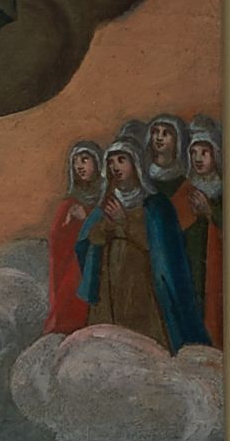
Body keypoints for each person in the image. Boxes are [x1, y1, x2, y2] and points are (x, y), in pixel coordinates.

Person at [75, 129, 208, 354]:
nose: (115, 167)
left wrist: (124, 223)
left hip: (144, 291)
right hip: (109, 290)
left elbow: (160, 249)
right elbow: (87, 242)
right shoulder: (107, 203)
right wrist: (106, 227)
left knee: (143, 350)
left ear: (136, 164)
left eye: (121, 160)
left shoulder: (156, 205)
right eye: (111, 162)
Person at [45, 140, 108, 337]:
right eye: (75, 161)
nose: (79, 166)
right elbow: (57, 241)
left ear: (97, 162)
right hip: (72, 266)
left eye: (85, 159)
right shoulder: (69, 203)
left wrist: (86, 217)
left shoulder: (107, 196)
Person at [185, 116, 223, 346]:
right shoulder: (187, 189)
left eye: (204, 152)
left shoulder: (224, 189)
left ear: (215, 155)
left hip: (216, 263)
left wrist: (210, 213)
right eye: (193, 153)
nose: (198, 158)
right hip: (192, 260)